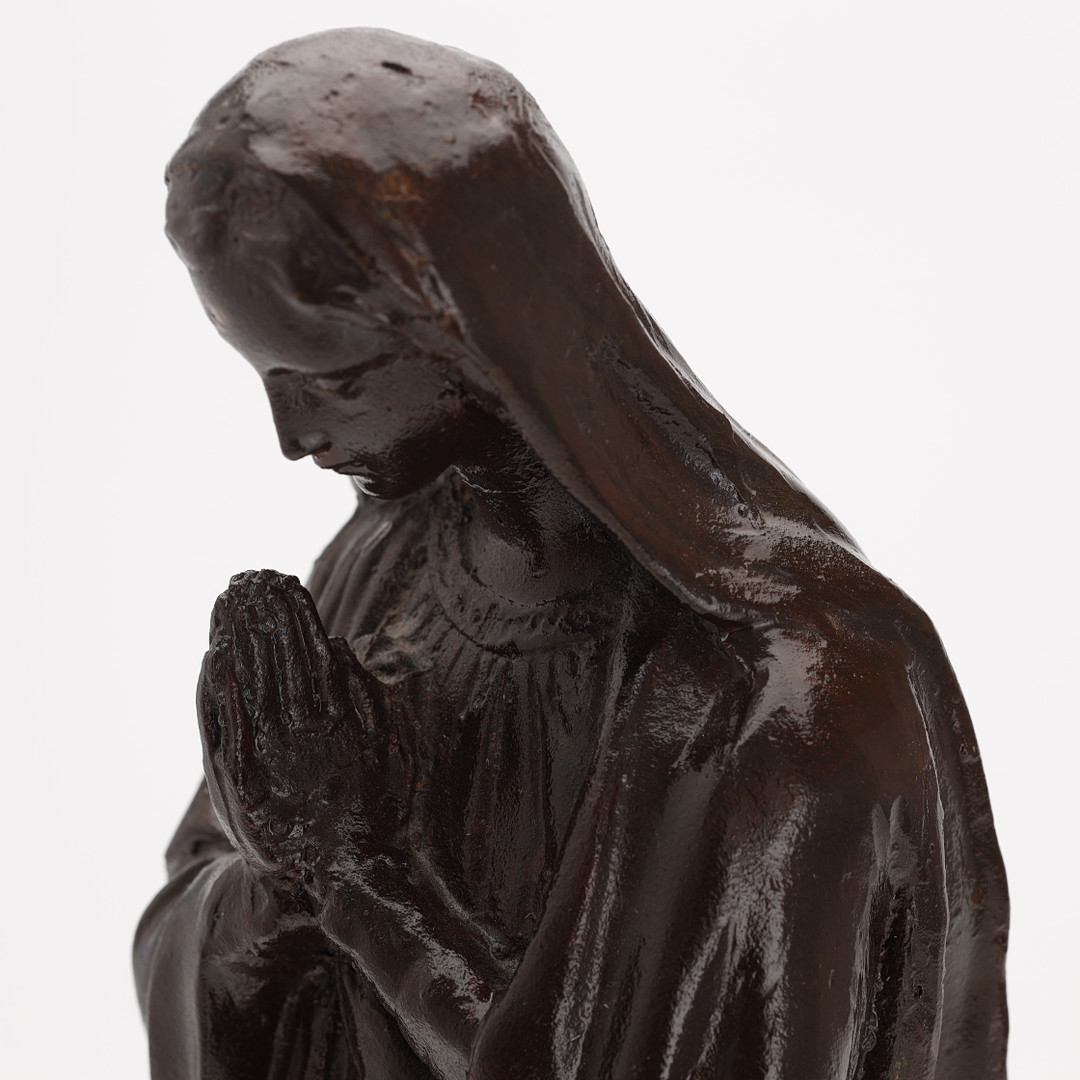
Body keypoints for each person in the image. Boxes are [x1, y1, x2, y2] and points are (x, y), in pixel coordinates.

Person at [137, 28, 1008, 1080]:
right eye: (265, 376)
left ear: (465, 331)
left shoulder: (782, 693)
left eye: (333, 377)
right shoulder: (381, 566)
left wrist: (358, 875)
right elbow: (203, 909)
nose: (289, 436)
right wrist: (279, 876)